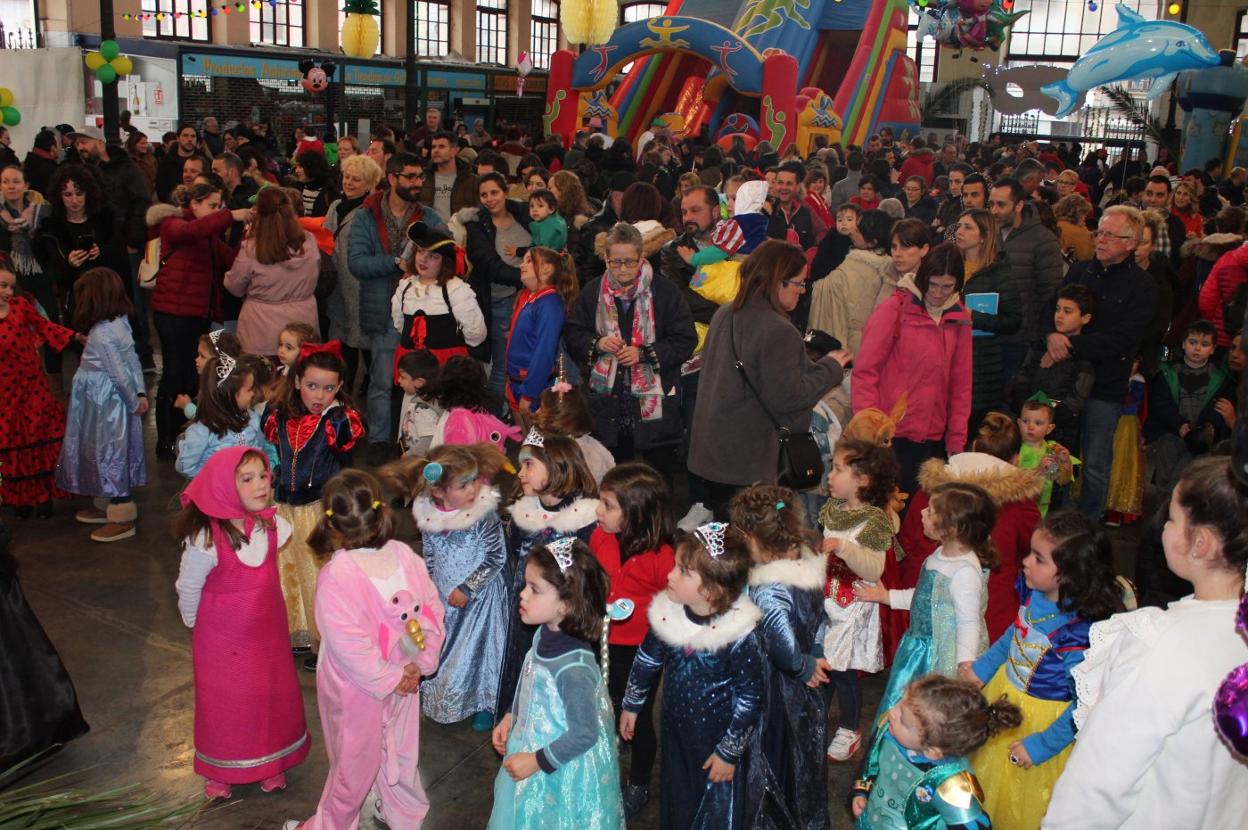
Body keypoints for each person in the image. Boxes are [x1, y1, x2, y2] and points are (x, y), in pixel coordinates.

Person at [1043, 457, 1248, 829]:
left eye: (1171, 518)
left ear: (1199, 543)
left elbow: (1098, 786)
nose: (1164, 528)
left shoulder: (1158, 643)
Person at [283, 470, 445, 830]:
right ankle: (404, 813)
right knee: (402, 752)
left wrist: (391, 677)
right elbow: (432, 612)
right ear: (379, 509)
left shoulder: (337, 576)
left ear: (331, 521)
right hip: (406, 677)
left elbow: (347, 647)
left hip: (357, 690)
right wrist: (418, 664)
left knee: (353, 763)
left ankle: (333, 826)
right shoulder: (406, 555)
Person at [965, 511, 1121, 828]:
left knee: (1021, 803)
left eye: (1038, 559)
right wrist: (982, 668)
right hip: (1006, 698)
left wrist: (1041, 745)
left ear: (1068, 574)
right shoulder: (1035, 593)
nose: (1025, 562)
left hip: (1041, 726)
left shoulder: (1077, 636)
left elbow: (1084, 705)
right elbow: (1015, 632)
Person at [174, 447, 311, 800]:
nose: (261, 485)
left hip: (266, 633)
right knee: (226, 703)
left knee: (268, 697)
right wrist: (194, 623)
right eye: (247, 479)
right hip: (221, 638)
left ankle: (270, 761)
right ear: (222, 486)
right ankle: (222, 769)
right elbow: (189, 586)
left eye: (264, 476)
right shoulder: (206, 537)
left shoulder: (273, 525)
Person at [621, 521, 765, 829]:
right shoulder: (667, 613)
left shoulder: (737, 635)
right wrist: (632, 703)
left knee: (715, 805)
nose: (670, 575)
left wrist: (728, 753)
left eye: (683, 571)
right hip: (676, 730)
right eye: (675, 566)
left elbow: (751, 697)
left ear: (712, 590)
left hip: (718, 739)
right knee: (680, 794)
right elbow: (647, 659)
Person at [689, 240, 849, 516]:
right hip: (748, 460)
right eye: (799, 283)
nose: (802, 291)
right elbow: (790, 396)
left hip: (711, 452)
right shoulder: (777, 329)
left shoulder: (724, 314)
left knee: (722, 536)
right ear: (778, 282)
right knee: (753, 543)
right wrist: (830, 367)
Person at [488, 538, 624, 829]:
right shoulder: (543, 633)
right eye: (526, 585)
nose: (522, 595)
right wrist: (513, 716)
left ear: (566, 604)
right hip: (532, 746)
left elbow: (585, 733)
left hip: (557, 769)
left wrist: (535, 761)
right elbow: (530, 681)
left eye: (534, 589)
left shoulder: (573, 669)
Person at [383, 443, 508, 732]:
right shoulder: (428, 516)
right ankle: (447, 695)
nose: (473, 490)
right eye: (463, 485)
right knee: (447, 649)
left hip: (481, 600)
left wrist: (468, 587)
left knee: (479, 652)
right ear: (438, 491)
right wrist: (426, 589)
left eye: (474, 481)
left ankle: (485, 703)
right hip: (444, 596)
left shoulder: (482, 514)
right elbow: (428, 556)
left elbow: (496, 557)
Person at [1047, 206, 1157, 520]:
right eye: (1101, 232)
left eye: (1111, 235)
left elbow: (1123, 337)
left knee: (1095, 462)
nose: (1101, 240)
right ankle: (1058, 518)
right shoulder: (1081, 270)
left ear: (1130, 243)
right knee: (1060, 454)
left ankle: (1088, 526)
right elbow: (1053, 306)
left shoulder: (1143, 286)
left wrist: (1070, 344)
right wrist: (1049, 335)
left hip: (1105, 384)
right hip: (1066, 379)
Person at [729, 485, 828, 829]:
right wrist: (815, 653)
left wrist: (800, 665)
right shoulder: (807, 562)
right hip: (802, 686)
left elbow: (780, 644)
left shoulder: (769, 586)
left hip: (776, 689)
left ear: (751, 536)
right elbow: (819, 619)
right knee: (802, 759)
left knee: (775, 759)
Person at [262, 342, 366, 667]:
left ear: (339, 388)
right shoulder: (279, 415)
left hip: (319, 508)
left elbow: (347, 458)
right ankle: (299, 630)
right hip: (283, 507)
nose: (318, 395)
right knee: (287, 571)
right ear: (296, 382)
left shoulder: (338, 421)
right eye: (311, 386)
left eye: (327, 388)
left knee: (319, 575)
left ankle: (327, 641)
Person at [855, 481, 995, 716]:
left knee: (927, 713)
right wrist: (886, 596)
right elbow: (925, 597)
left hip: (940, 656)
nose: (921, 512)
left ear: (951, 528)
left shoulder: (964, 572)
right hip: (917, 648)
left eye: (930, 511)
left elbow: (969, 623)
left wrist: (965, 665)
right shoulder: (939, 554)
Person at [564, 222, 696, 471]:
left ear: (642, 256)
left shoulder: (665, 291)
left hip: (656, 408)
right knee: (613, 476)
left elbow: (685, 338)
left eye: (630, 261)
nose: (623, 269)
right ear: (606, 258)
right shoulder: (593, 292)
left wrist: (645, 353)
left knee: (657, 478)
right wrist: (598, 343)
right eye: (616, 262)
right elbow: (572, 332)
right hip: (607, 406)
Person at [588, 462, 677, 818]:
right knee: (604, 704)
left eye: (608, 505)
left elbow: (673, 608)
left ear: (636, 514)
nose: (598, 511)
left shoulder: (663, 558)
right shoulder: (600, 538)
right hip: (602, 641)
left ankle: (639, 780)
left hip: (642, 652)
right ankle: (608, 756)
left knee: (636, 716)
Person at [350, 153, 446, 464]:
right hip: (383, 314)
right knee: (380, 381)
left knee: (425, 381)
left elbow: (449, 255)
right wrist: (396, 263)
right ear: (392, 178)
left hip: (423, 315)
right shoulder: (366, 215)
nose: (418, 183)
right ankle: (379, 440)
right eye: (410, 177)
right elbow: (356, 263)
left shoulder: (430, 217)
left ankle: (426, 442)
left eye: (420, 177)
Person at [853, 244, 973, 493]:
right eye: (933, 284)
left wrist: (957, 438)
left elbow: (961, 384)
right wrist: (869, 428)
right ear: (923, 278)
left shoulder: (959, 318)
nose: (938, 293)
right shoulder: (895, 308)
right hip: (890, 435)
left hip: (932, 436)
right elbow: (865, 370)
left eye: (947, 287)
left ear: (958, 286)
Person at [147, 181, 246, 456]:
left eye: (219, 206)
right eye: (212, 206)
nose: (217, 211)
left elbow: (230, 259)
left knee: (191, 377)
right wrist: (231, 216)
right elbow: (192, 231)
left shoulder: (207, 233)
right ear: (194, 205)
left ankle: (183, 433)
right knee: (175, 375)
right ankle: (165, 440)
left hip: (195, 314)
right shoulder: (173, 223)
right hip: (174, 314)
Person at [818, 438, 901, 762]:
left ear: (863, 481)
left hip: (854, 606)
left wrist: (844, 548)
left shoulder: (875, 521)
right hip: (827, 600)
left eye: (838, 470)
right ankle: (816, 716)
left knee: (844, 671)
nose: (830, 475)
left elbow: (874, 567)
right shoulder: (832, 511)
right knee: (823, 662)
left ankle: (850, 728)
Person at [852, 675, 1020, 829]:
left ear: (933, 751)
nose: (892, 713)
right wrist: (861, 792)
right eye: (899, 703)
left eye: (903, 719)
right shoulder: (889, 731)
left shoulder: (950, 784)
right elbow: (870, 765)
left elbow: (973, 825)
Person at [56, 268, 147, 543]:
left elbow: (118, 372)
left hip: (104, 400)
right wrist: (140, 391)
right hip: (102, 399)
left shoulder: (102, 333)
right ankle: (108, 498)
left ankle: (122, 512)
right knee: (104, 447)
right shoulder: (120, 321)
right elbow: (132, 360)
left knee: (111, 450)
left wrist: (134, 401)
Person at [0, 264, 77, 517]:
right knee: (14, 442)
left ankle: (44, 497)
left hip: (33, 387)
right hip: (5, 394)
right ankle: (21, 498)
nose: (8, 292)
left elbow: (46, 327)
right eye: (3, 286)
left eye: (11, 286)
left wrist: (75, 337)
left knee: (39, 437)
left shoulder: (21, 306)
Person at [224, 188, 320, 357]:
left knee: (260, 379)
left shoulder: (252, 248)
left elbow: (234, 286)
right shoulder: (309, 241)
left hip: (260, 331)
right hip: (302, 327)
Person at [991, 176, 1065, 390]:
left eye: (1001, 204)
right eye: (992, 204)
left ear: (1019, 205)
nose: (994, 210)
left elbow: (1051, 293)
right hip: (986, 334)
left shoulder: (1043, 240)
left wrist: (1042, 335)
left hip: (1020, 339)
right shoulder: (987, 231)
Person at [1144, 320, 1233, 496]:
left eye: (1204, 344)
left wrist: (1206, 426)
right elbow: (1160, 405)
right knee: (1164, 478)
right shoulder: (1167, 373)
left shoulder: (1220, 378)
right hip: (1172, 433)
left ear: (1213, 348)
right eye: (1192, 342)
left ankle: (1175, 512)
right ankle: (1162, 513)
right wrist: (1180, 424)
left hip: (1200, 438)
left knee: (1186, 480)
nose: (1197, 348)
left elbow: (1219, 409)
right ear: (1184, 344)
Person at [463, 171, 532, 397]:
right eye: (484, 195)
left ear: (505, 192)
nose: (490, 198)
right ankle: (494, 423)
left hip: (531, 301)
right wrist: (527, 279)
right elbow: (489, 266)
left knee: (528, 365)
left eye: (494, 192)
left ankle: (518, 419)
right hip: (500, 302)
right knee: (502, 367)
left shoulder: (525, 214)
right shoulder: (476, 226)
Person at [954, 209, 1022, 436]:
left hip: (982, 366)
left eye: (967, 227)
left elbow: (1013, 321)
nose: (960, 232)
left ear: (984, 235)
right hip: (950, 356)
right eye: (959, 226)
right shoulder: (950, 266)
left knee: (974, 433)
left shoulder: (998, 272)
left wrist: (974, 317)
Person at [34, 165, 129, 323]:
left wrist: (102, 252)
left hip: (109, 302)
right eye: (68, 194)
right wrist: (69, 264)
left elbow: (122, 263)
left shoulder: (106, 222)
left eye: (79, 193)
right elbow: (51, 274)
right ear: (59, 196)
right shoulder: (50, 230)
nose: (74, 200)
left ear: (88, 194)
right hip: (76, 306)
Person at [323, 153, 383, 389]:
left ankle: (370, 390)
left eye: (356, 179)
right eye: (347, 177)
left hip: (361, 288)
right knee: (342, 342)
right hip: (336, 285)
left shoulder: (372, 212)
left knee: (365, 344)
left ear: (369, 184)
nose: (348, 182)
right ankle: (344, 390)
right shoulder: (335, 206)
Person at [391, 221, 486, 369]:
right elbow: (400, 324)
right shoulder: (405, 287)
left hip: (445, 367)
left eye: (433, 256)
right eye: (420, 251)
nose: (423, 259)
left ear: (445, 262)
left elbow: (476, 333)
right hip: (411, 367)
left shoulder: (455, 289)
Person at [808, 208, 892, 355]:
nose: (852, 232)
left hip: (854, 343)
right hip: (873, 342)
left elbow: (825, 290)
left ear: (872, 241)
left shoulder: (856, 266)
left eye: (858, 231)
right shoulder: (889, 266)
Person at [174, 354, 270, 479]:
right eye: (249, 390)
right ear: (229, 395)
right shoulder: (203, 431)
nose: (253, 393)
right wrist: (211, 479)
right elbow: (185, 466)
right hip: (217, 495)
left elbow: (260, 449)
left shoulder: (253, 419)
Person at [505, 247, 577, 416]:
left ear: (547, 268)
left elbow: (544, 352)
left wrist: (530, 393)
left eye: (529, 261)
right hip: (517, 383)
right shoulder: (528, 296)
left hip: (533, 388)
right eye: (523, 261)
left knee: (537, 440)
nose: (522, 265)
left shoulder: (549, 304)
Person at [1017, 397, 1078, 517]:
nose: (1030, 427)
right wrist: (1038, 471)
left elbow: (1059, 479)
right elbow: (1011, 480)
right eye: (1026, 421)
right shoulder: (1015, 449)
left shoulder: (1050, 449)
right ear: (1018, 423)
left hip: (1042, 508)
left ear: (1049, 428)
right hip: (1019, 507)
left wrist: (1065, 462)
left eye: (1038, 423)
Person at [395, 349, 442, 457]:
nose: (398, 380)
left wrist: (409, 455)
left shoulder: (423, 409)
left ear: (420, 382)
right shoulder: (429, 398)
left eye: (403, 377)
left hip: (417, 463)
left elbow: (428, 441)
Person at [422, 131, 477, 218]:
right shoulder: (423, 178)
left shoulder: (471, 180)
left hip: (461, 230)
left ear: (454, 151)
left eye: (441, 147)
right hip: (428, 230)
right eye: (433, 147)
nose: (436, 150)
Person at [767, 161, 817, 249]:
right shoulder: (766, 210)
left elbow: (810, 246)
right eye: (780, 183)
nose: (784, 187)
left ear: (797, 187)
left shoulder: (804, 213)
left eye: (789, 183)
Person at [156, 124, 205, 203]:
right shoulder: (166, 161)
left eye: (193, 136)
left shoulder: (204, 160)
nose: (189, 139)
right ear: (178, 138)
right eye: (185, 135)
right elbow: (161, 190)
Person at [1054, 194, 1095, 262]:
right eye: (1084, 215)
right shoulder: (1081, 233)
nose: (1084, 218)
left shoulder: (1051, 225)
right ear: (1080, 214)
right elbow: (1087, 258)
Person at [21, 129, 60, 199]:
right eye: (59, 144)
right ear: (53, 148)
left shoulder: (28, 162)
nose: (60, 148)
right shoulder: (51, 170)